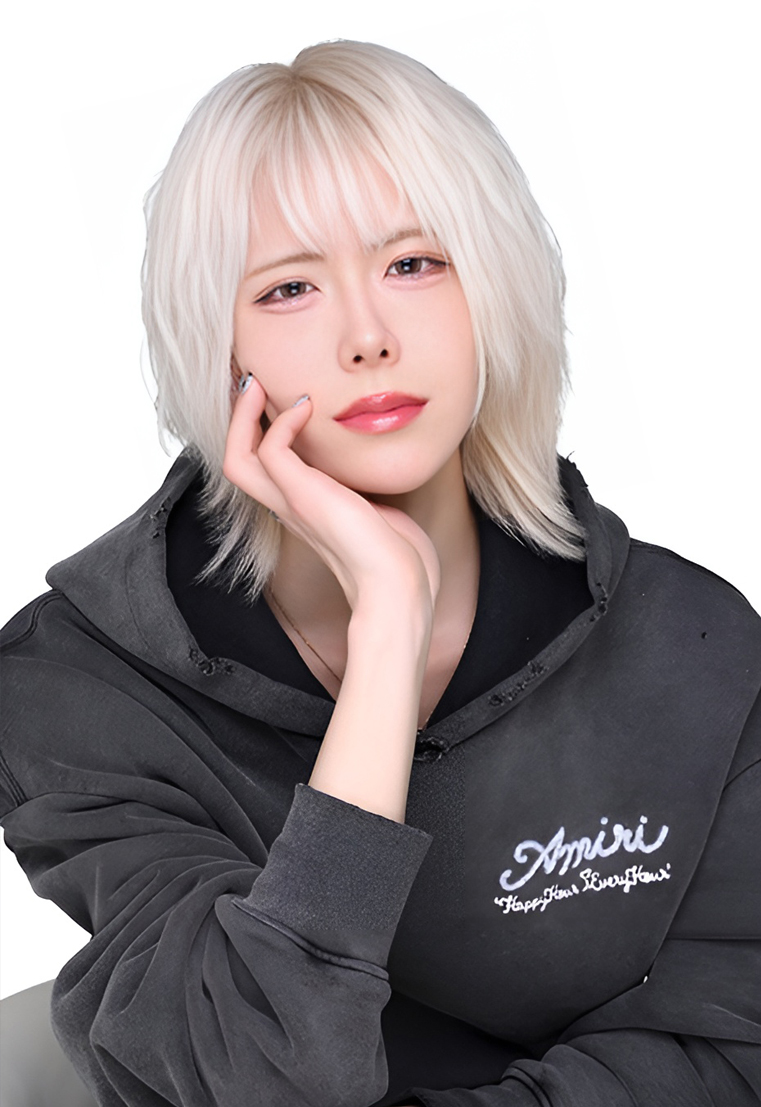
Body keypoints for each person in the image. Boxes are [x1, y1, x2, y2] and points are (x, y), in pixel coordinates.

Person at [1, 38, 759, 1107]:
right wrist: (387, 636)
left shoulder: (694, 646)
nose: (366, 336)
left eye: (413, 264)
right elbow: (260, 1080)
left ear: (492, 289)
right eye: (288, 288)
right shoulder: (74, 688)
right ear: (220, 347)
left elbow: (729, 1045)